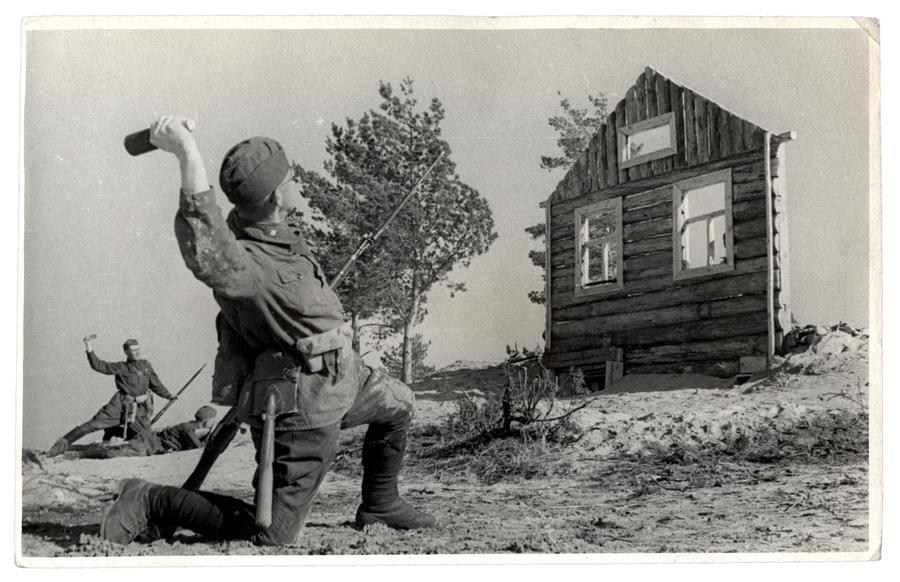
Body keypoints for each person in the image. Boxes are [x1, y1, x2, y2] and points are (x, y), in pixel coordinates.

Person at [99, 116, 435, 546]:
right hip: (300, 404)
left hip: (340, 381)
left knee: (399, 402)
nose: (298, 181)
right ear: (277, 194)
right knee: (274, 533)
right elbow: (210, 251)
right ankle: (149, 500)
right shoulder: (248, 263)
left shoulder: (270, 232)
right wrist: (186, 154)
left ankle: (380, 503)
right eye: (292, 177)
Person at [46, 337, 177, 457]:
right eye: (133, 350)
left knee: (147, 436)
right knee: (93, 424)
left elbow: (156, 384)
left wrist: (169, 395)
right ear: (126, 352)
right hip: (119, 405)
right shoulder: (121, 367)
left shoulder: (146, 366)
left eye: (138, 349)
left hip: (139, 411)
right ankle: (58, 448)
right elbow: (98, 365)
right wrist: (89, 347)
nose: (137, 352)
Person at [66, 406, 219, 459]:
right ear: (206, 421)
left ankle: (73, 448)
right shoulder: (189, 429)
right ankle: (77, 453)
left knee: (110, 448)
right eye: (213, 419)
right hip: (145, 446)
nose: (214, 421)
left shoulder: (190, 426)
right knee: (111, 453)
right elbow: (198, 447)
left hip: (147, 441)